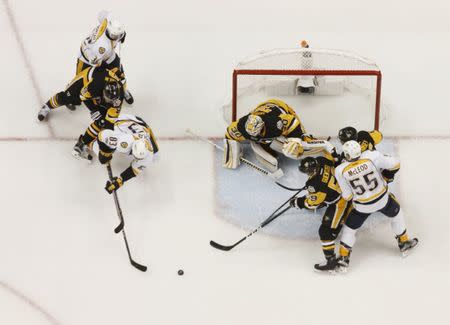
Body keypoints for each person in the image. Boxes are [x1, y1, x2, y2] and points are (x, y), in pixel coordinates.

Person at [324, 140, 418, 273]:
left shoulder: (340, 170)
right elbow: (396, 163)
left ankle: (344, 258)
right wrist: (385, 176)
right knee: (397, 215)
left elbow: (347, 196)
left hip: (362, 207)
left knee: (349, 230)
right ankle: (404, 242)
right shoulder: (371, 156)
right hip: (383, 200)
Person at [37, 11, 132, 121]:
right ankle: (51, 105)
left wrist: (122, 35)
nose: (116, 37)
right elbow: (87, 51)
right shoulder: (102, 47)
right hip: (89, 62)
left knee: (119, 74)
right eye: (114, 35)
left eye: (117, 35)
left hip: (104, 57)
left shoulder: (107, 22)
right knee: (74, 93)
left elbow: (102, 14)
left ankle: (123, 90)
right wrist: (94, 60)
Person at [223, 99, 334, 173]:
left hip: (283, 109)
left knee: (296, 150)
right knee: (268, 157)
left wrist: (295, 141)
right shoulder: (241, 126)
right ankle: (269, 148)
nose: (252, 134)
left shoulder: (274, 124)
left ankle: (324, 145)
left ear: (262, 126)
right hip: (262, 109)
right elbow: (229, 135)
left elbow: (293, 123)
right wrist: (232, 155)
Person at [289, 155, 351, 272]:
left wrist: (299, 202)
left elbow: (313, 203)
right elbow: (334, 161)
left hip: (341, 201)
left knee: (325, 231)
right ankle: (338, 225)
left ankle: (330, 261)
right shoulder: (322, 160)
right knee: (330, 222)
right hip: (345, 188)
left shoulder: (313, 183)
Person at [90, 113, 159, 193]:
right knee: (103, 158)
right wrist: (104, 152)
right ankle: (90, 143)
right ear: (132, 147)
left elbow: (133, 171)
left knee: (156, 156)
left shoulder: (148, 156)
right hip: (122, 121)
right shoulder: (123, 141)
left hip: (143, 127)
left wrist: (120, 181)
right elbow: (102, 135)